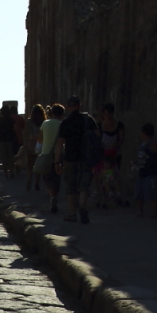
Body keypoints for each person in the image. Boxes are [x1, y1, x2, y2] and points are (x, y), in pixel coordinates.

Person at [55, 95, 97, 224]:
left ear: (67, 108)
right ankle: (83, 205)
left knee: (71, 186)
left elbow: (60, 143)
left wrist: (57, 161)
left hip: (70, 157)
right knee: (84, 185)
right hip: (86, 157)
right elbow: (97, 135)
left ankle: (72, 214)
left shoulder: (65, 122)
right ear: (80, 105)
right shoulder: (88, 119)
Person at [92, 104, 124, 208]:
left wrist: (114, 146)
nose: (107, 116)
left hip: (114, 154)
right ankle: (102, 194)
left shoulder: (119, 125)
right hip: (102, 154)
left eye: (109, 114)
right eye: (105, 114)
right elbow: (96, 139)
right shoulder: (99, 125)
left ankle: (115, 193)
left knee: (113, 174)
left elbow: (121, 139)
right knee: (100, 174)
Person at [37, 102, 65, 211]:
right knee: (57, 177)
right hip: (59, 154)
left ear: (52, 113)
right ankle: (55, 195)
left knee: (47, 177)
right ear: (62, 114)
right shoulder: (63, 124)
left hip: (46, 153)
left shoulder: (45, 123)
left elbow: (40, 139)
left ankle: (51, 196)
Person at [134, 123, 157, 217]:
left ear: (144, 132)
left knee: (151, 192)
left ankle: (155, 211)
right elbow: (142, 156)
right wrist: (136, 161)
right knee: (139, 193)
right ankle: (140, 211)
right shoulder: (143, 144)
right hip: (142, 172)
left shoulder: (153, 143)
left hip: (151, 172)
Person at [25, 104, 45, 191]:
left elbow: (26, 133)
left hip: (31, 144)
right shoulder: (44, 121)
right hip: (40, 144)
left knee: (30, 165)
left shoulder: (29, 121)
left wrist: (24, 144)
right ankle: (37, 182)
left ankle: (29, 178)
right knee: (38, 164)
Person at [0, 103, 19, 178]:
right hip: (10, 140)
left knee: (4, 157)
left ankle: (5, 173)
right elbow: (15, 129)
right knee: (10, 157)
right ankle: (11, 171)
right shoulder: (11, 120)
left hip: (2, 140)